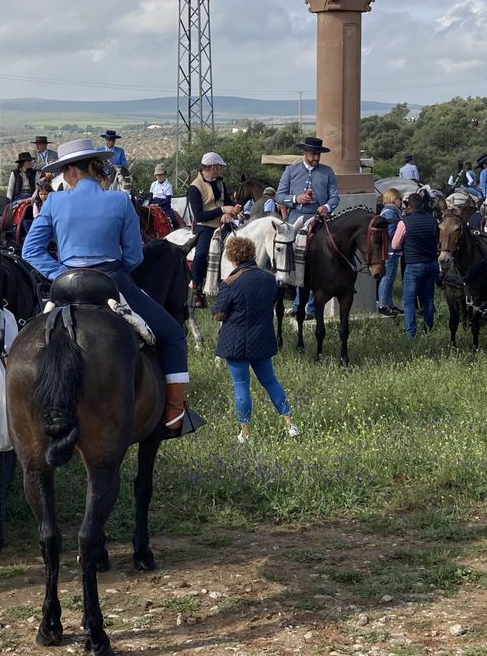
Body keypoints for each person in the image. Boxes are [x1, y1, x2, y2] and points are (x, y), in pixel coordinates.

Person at [22, 138, 194, 431]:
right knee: (173, 334)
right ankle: (175, 413)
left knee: (28, 340)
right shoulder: (120, 201)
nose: (64, 177)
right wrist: (113, 273)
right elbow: (135, 255)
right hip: (111, 281)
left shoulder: (54, 202)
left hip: (66, 285)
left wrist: (60, 273)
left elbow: (30, 250)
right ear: (93, 167)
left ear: (72, 171)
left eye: (64, 171)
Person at [211, 234, 297, 443]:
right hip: (262, 339)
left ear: (232, 257)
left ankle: (245, 432)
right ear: (251, 253)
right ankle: (290, 425)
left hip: (235, 342)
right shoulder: (269, 278)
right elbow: (272, 301)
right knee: (270, 381)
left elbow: (218, 314)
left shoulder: (229, 282)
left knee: (241, 385)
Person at [187, 151, 240, 305]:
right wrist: (222, 210)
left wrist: (233, 211)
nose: (221, 170)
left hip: (224, 223)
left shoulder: (220, 183)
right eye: (219, 167)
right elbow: (199, 216)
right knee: (201, 254)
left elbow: (228, 203)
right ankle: (196, 288)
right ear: (213, 167)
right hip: (205, 226)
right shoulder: (194, 188)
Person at [389, 193, 439, 339]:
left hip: (413, 264)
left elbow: (395, 244)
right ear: (422, 205)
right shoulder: (433, 221)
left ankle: (411, 334)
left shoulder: (404, 223)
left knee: (409, 300)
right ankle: (428, 329)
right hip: (431, 263)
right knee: (428, 298)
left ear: (409, 207)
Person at [277, 136, 340, 223]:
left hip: (321, 219)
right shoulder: (290, 170)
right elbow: (279, 197)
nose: (316, 158)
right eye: (313, 154)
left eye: (318, 154)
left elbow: (335, 198)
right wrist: (295, 198)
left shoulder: (328, 171)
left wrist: (326, 207)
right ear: (304, 152)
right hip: (296, 217)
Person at [374, 188, 403, 316]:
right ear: (393, 199)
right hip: (390, 250)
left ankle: (390, 303)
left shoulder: (387, 211)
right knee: (387, 277)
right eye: (399, 199)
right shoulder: (391, 212)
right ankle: (383, 305)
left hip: (390, 250)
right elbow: (390, 232)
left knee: (390, 278)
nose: (401, 201)